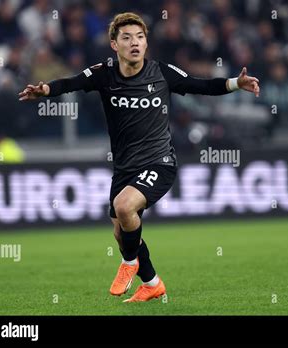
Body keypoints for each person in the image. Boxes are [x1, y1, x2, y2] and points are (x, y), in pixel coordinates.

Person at [18, 12, 260, 303]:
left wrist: (237, 83)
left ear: (146, 44)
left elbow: (202, 85)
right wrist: (45, 90)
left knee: (123, 207)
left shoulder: (161, 73)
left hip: (160, 162)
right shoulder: (104, 74)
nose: (135, 43)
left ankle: (129, 263)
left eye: (140, 37)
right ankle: (152, 283)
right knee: (121, 233)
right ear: (114, 44)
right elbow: (71, 83)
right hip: (124, 167)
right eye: (127, 37)